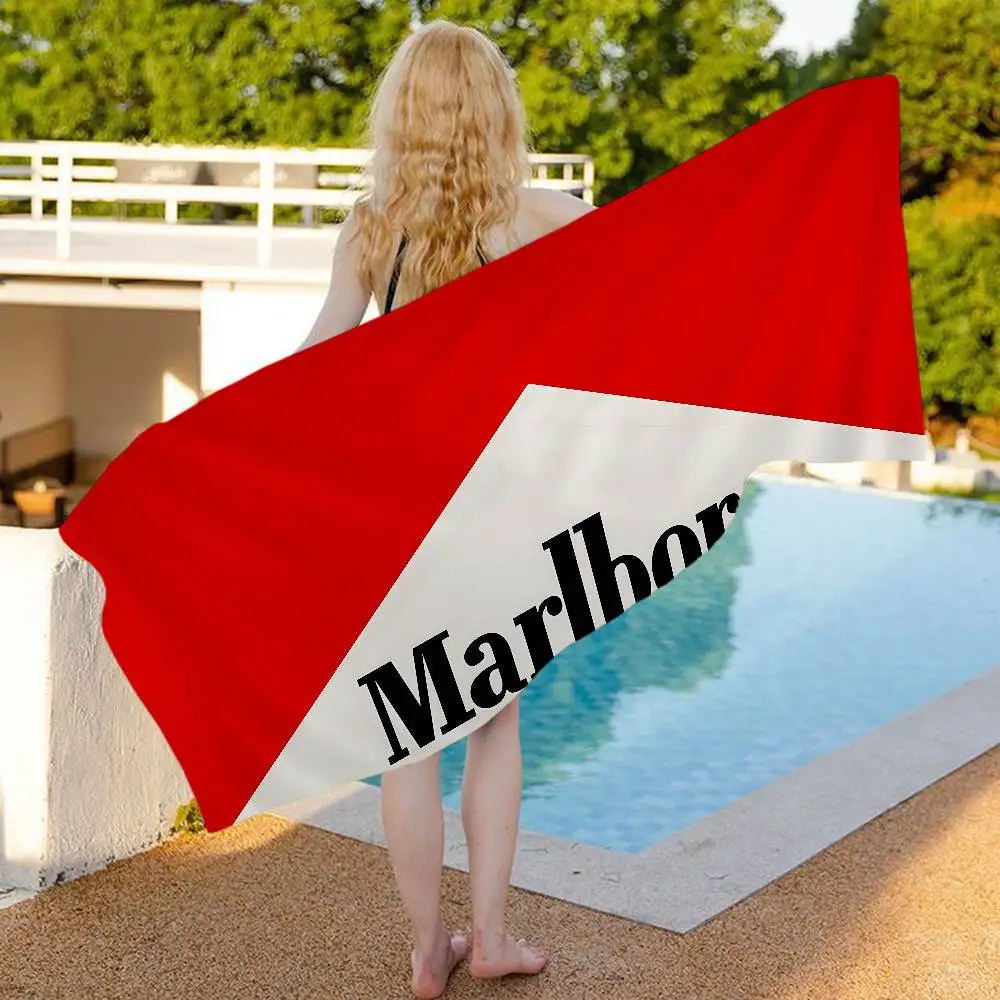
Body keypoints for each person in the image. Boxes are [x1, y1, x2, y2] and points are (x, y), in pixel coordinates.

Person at [298, 19, 594, 999]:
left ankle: (428, 954)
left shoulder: (371, 228)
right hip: (498, 503)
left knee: (409, 740)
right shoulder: (541, 217)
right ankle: (492, 936)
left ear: (403, 112)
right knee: (495, 724)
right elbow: (639, 296)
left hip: (398, 504)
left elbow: (316, 363)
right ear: (497, 109)